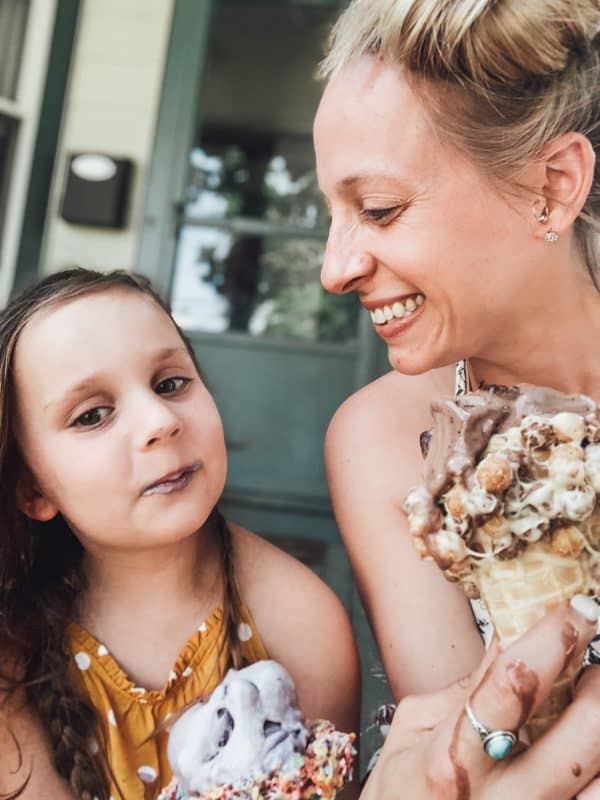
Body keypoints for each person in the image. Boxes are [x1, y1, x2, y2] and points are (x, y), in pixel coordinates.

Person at [313, 0, 600, 795]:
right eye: (332, 217)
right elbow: (476, 763)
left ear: (552, 185)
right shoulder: (382, 440)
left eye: (378, 210)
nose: (333, 272)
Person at [0, 268, 360, 800]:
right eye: (93, 415)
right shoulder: (14, 648)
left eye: (170, 384)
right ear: (32, 489)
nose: (158, 420)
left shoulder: (301, 623)